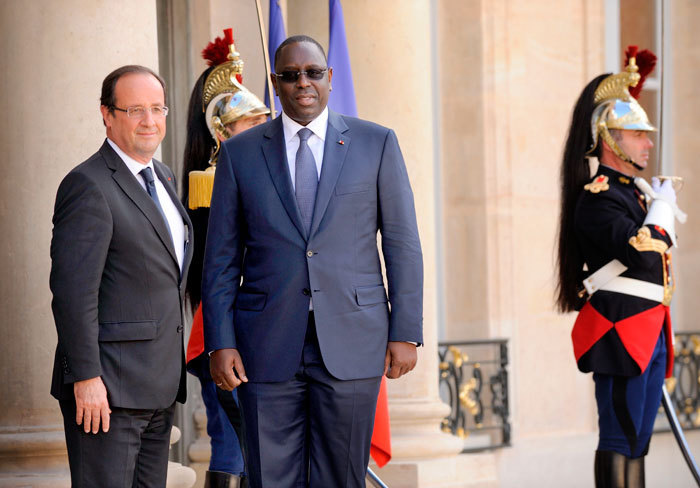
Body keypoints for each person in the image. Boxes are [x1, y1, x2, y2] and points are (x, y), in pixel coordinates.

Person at [202, 35, 423, 487]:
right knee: (271, 479)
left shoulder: (375, 143)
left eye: (313, 73)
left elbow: (401, 243)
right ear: (275, 83)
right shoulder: (240, 154)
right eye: (290, 75)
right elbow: (221, 256)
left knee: (341, 478)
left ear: (330, 78)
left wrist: (406, 331)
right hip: (263, 344)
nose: (303, 82)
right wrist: (219, 340)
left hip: (353, 340)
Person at [50, 65, 193, 488]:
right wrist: (86, 378)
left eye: (157, 108)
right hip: (107, 390)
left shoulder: (164, 178)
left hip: (159, 385)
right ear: (107, 115)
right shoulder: (87, 185)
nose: (150, 121)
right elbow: (72, 295)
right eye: (135, 110)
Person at [556, 47, 685, 487]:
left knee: (638, 441)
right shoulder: (599, 196)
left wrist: (656, 203)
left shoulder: (635, 194)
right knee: (618, 437)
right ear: (609, 138)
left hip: (648, 328)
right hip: (620, 331)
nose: (648, 142)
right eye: (638, 134)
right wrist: (662, 211)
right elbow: (642, 252)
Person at [182, 29, 269, 488]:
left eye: (262, 120)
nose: (261, 129)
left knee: (250, 443)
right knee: (233, 440)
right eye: (249, 122)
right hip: (223, 326)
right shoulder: (212, 181)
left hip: (258, 325)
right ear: (222, 130)